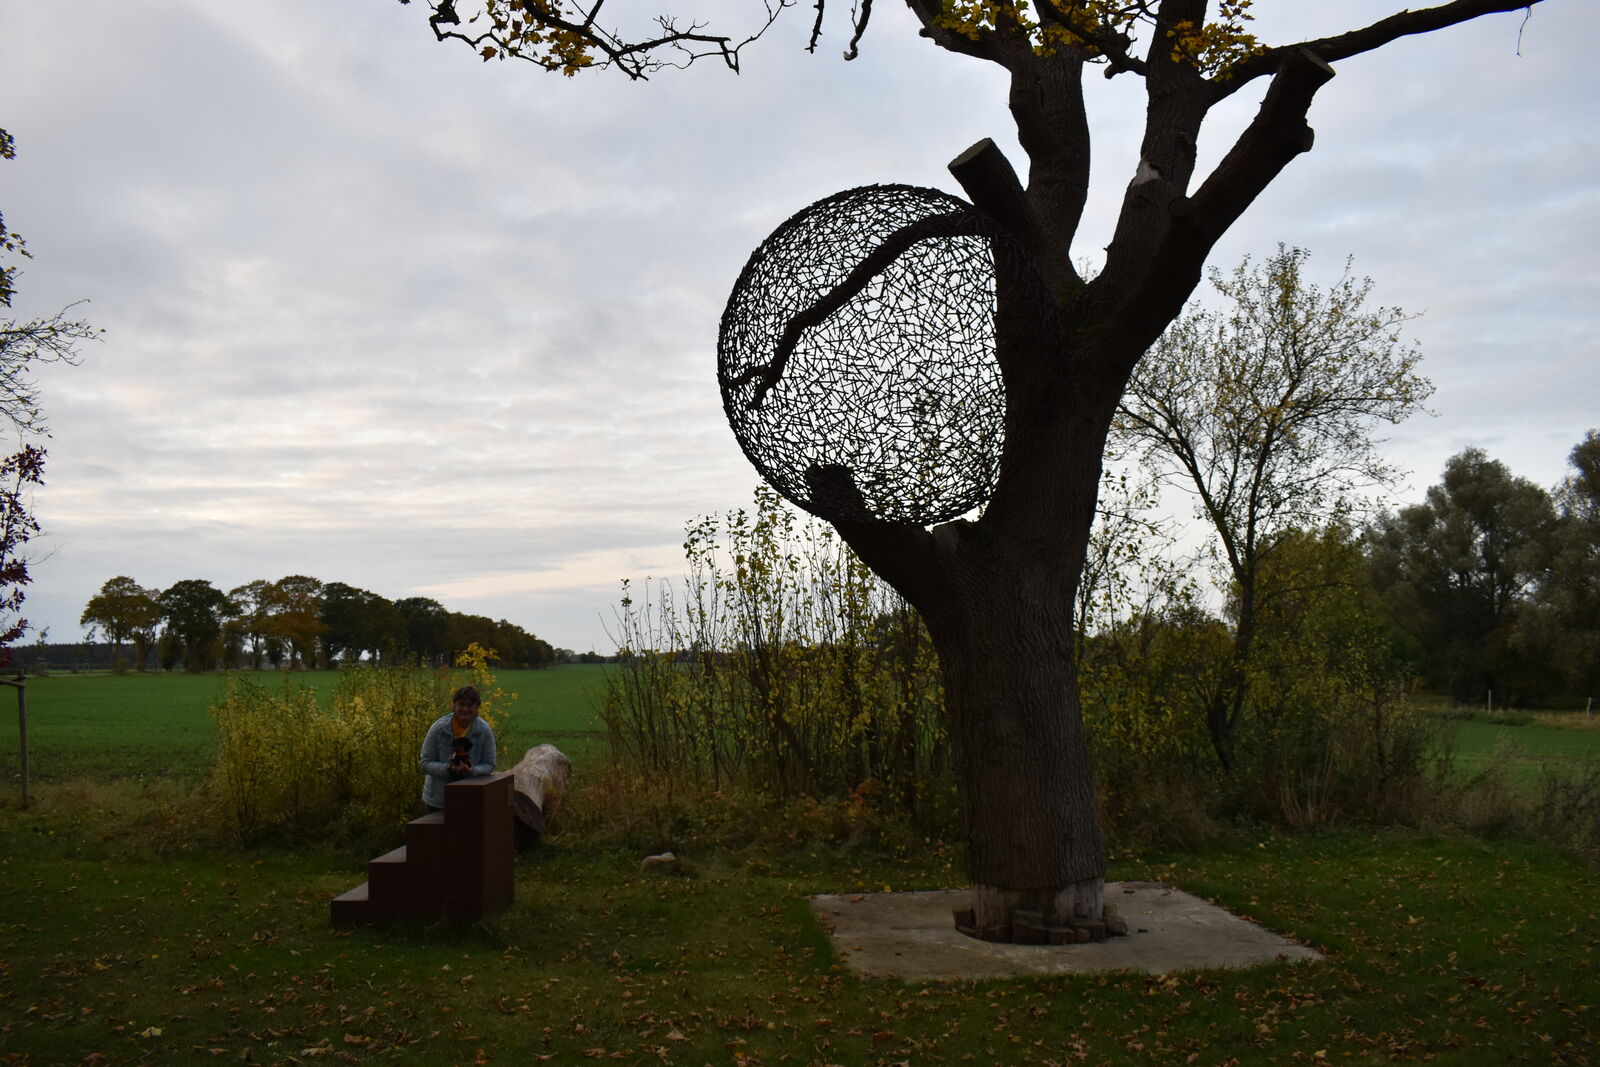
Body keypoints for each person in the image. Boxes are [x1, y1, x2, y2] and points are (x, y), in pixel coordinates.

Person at [419, 684, 497, 812]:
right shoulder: (438, 728)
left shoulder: (484, 730)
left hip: (471, 799)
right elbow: (425, 762)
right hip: (438, 800)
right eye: (461, 704)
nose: (465, 709)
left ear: (477, 707)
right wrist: (448, 769)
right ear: (454, 705)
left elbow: (490, 764)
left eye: (470, 705)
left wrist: (472, 771)